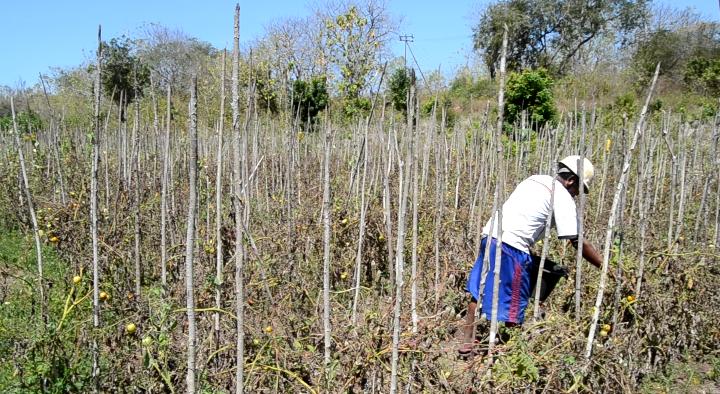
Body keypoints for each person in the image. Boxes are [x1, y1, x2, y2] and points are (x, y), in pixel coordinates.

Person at [458, 155, 604, 356]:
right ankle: (511, 353)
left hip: (490, 236)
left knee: (480, 290)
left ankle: (466, 344)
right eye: (578, 190)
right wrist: (605, 267)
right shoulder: (562, 196)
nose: (577, 195)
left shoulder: (535, 179)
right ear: (571, 180)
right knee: (516, 300)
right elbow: (577, 241)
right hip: (513, 247)